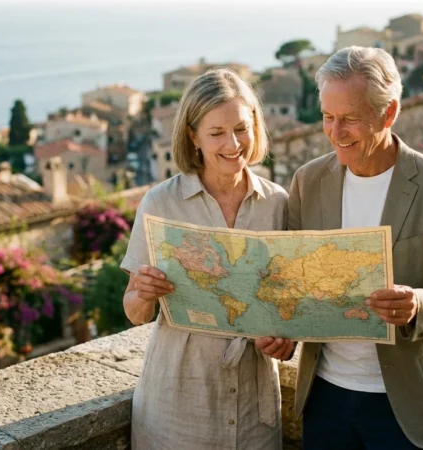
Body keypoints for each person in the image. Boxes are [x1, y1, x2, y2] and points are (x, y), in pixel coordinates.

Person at [288, 46, 423, 450]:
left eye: (350, 119)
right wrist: (279, 330)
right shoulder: (307, 182)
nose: (335, 132)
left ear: (389, 113)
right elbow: (292, 281)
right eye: (327, 117)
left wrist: (418, 305)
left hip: (408, 407)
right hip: (324, 396)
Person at [120, 68, 294, 450]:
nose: (233, 144)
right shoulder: (160, 202)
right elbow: (135, 312)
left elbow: (287, 304)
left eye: (241, 129)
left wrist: (286, 341)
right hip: (176, 409)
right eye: (216, 133)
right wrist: (145, 292)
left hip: (254, 413)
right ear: (192, 136)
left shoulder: (278, 204)